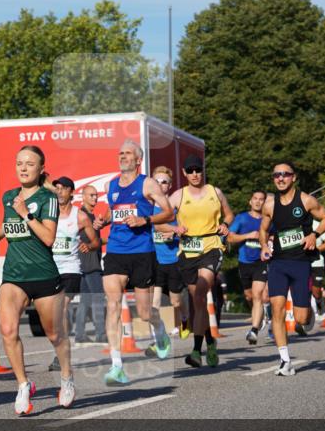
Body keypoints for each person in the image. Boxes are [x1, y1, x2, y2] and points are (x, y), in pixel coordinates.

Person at [0, 146, 74, 413]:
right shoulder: (9, 196)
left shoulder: (49, 198)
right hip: (14, 274)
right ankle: (23, 385)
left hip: (44, 274)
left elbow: (48, 238)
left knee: (55, 334)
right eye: (19, 163)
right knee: (8, 331)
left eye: (29, 164)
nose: (23, 168)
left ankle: (67, 378)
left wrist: (26, 213)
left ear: (41, 168)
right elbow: (10, 222)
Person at [92, 140, 174, 384]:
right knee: (114, 305)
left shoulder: (147, 183)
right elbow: (113, 209)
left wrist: (144, 220)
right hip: (116, 250)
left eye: (127, 153)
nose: (122, 156)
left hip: (142, 252)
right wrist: (103, 221)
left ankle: (160, 333)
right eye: (120, 153)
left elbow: (168, 212)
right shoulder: (112, 185)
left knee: (145, 313)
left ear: (138, 160)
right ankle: (117, 366)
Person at [259, 162, 325, 377]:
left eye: (285, 175)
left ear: (294, 177)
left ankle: (310, 302)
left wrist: (314, 235)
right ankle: (285, 360)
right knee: (277, 309)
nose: (280, 178)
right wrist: (263, 246)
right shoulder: (270, 205)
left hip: (300, 263)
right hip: (278, 263)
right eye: (276, 175)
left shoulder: (306, 200)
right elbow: (263, 229)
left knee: (300, 319)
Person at [170, 155, 233, 368]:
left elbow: (229, 215)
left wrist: (225, 224)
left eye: (198, 170)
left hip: (212, 247)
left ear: (202, 170)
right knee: (198, 303)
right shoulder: (178, 196)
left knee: (200, 292)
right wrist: (173, 228)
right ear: (184, 173)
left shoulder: (216, 192)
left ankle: (196, 352)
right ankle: (210, 343)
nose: (195, 174)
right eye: (191, 171)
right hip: (188, 252)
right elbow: (161, 219)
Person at [48, 176, 99, 372]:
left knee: (61, 309)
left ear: (71, 192)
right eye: (57, 189)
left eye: (63, 189)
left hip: (71, 269)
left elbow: (95, 242)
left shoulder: (80, 216)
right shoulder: (48, 214)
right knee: (52, 316)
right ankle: (60, 348)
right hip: (51, 269)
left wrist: (88, 245)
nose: (59, 192)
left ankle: (59, 356)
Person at [145, 166, 188, 358]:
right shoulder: (146, 207)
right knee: (152, 306)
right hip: (154, 261)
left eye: (164, 182)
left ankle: (185, 318)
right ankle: (159, 340)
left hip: (172, 260)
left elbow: (184, 229)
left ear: (169, 186)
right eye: (157, 181)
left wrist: (176, 231)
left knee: (175, 301)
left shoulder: (175, 209)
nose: (161, 185)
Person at [228, 190, 270, 345]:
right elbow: (230, 237)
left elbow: (274, 237)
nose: (258, 202)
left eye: (261, 199)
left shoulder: (268, 220)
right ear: (250, 202)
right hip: (244, 262)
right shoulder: (242, 218)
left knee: (258, 294)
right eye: (255, 199)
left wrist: (267, 238)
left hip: (261, 261)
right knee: (249, 296)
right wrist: (248, 236)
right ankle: (260, 316)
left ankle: (254, 330)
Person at [73, 185, 107, 343]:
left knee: (85, 300)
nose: (95, 198)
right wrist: (111, 240)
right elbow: (87, 241)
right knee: (98, 297)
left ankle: (79, 334)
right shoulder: (85, 217)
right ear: (83, 196)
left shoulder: (89, 216)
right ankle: (101, 333)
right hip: (90, 263)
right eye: (91, 195)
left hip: (84, 263)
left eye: (96, 195)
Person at [309, 217, 325, 322]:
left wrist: (314, 250)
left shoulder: (318, 225)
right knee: (301, 290)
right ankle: (308, 314)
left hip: (317, 262)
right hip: (301, 263)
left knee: (316, 291)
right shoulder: (295, 225)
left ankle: (320, 305)